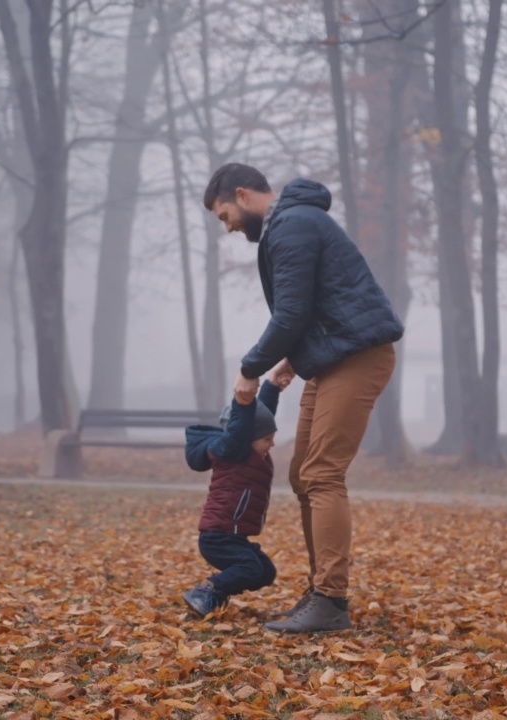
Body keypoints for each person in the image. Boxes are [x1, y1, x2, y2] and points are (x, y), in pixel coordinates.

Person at [202, 163, 404, 634]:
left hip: (358, 358)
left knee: (321, 473)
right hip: (333, 358)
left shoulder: (290, 224)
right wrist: (298, 356)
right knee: (301, 474)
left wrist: (249, 370)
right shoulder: (291, 223)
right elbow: (318, 302)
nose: (227, 226)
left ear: (242, 194)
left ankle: (331, 599)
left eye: (224, 214)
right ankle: (322, 591)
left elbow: (292, 312)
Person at [182, 377, 288, 617]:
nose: (271, 444)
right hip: (218, 536)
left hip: (234, 536)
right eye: (267, 439)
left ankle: (216, 595)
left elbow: (262, 415)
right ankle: (207, 590)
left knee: (265, 571)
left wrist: (273, 386)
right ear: (246, 438)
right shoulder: (233, 450)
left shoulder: (252, 448)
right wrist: (243, 400)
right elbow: (243, 425)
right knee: (249, 568)